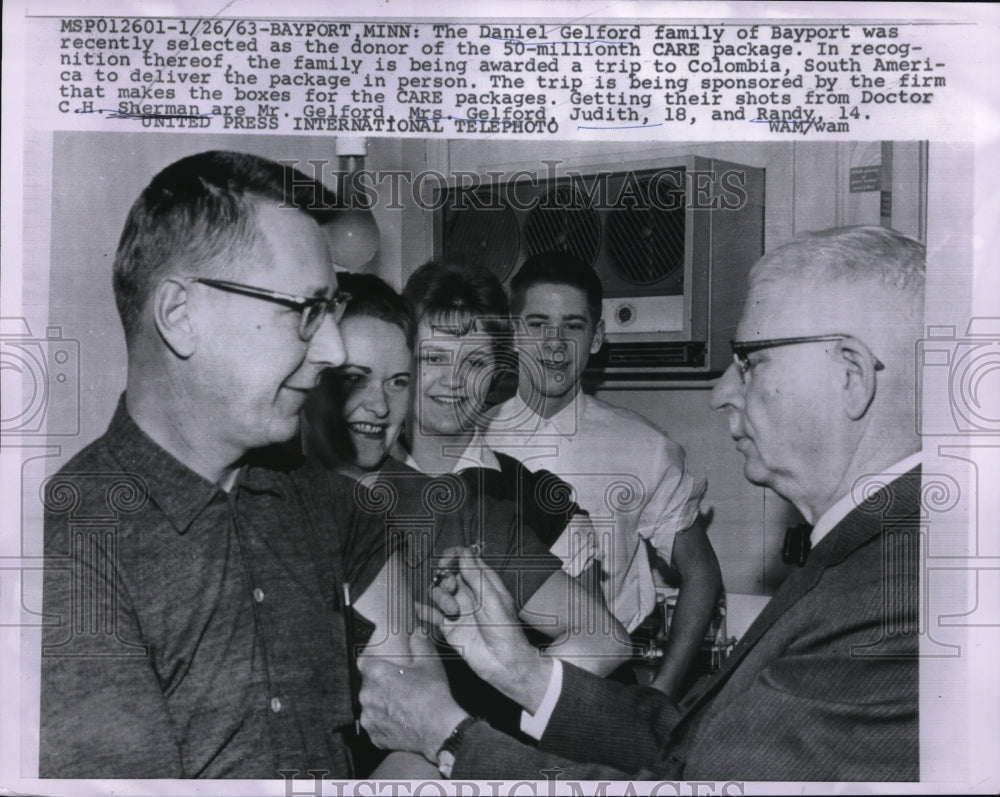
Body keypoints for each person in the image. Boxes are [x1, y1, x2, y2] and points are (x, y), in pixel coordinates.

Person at [358, 225, 924, 782]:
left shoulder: (892, 603)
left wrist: (455, 737)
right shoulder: (856, 566)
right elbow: (691, 753)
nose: (721, 391)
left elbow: (686, 767)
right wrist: (522, 672)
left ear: (852, 376)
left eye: (751, 362)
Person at [39, 151, 414, 779]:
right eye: (306, 310)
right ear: (180, 316)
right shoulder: (70, 552)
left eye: (333, 309)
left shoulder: (320, 500)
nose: (333, 349)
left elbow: (417, 721)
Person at [483, 251, 722, 695]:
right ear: (513, 333)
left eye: (573, 326)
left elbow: (701, 573)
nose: (555, 345)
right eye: (537, 324)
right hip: (489, 679)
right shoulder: (473, 438)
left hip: (603, 681)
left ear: (596, 338)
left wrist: (662, 692)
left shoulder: (643, 445)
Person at [302, 272, 415, 479]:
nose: (380, 407)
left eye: (398, 382)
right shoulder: (260, 490)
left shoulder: (437, 498)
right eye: (355, 379)